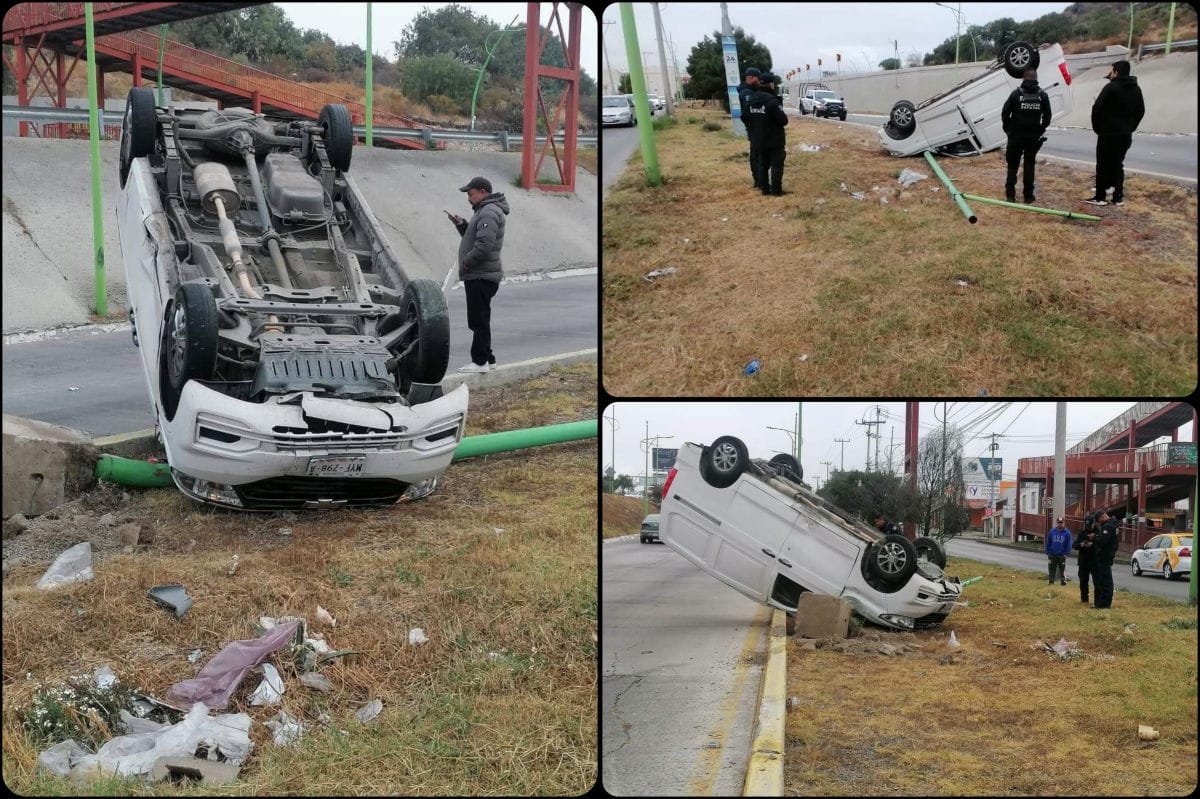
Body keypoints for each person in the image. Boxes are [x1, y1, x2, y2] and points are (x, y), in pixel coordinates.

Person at [446, 176, 509, 373]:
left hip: (480, 275)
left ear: (483, 192)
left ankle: (479, 361)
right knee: (481, 318)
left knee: (478, 320)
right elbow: (476, 238)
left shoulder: (489, 212)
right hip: (481, 274)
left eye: (470, 194)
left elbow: (484, 246)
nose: (468, 198)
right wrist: (462, 225)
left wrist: (466, 263)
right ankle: (488, 358)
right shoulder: (485, 211)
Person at [1086, 60, 1145, 207]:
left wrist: (1098, 128)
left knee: (1103, 165)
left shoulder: (1111, 87)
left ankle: (1100, 196)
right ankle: (1118, 197)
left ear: (1116, 72)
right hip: (1125, 135)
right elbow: (1141, 111)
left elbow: (1097, 108)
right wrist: (1131, 127)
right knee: (1118, 164)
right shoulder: (1136, 89)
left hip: (1108, 134)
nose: (1111, 74)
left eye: (1112, 71)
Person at [1000, 68, 1051, 204]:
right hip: (1032, 137)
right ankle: (1028, 196)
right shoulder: (1043, 96)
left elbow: (1005, 114)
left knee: (1012, 165)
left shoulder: (1015, 95)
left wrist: (1009, 130)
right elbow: (1047, 117)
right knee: (1029, 166)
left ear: (1023, 79)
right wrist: (1040, 130)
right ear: (1036, 79)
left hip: (1015, 137)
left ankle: (1010, 195)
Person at [748, 73, 789, 196]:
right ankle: (776, 191)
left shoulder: (752, 99)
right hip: (774, 140)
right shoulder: (772, 101)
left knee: (762, 165)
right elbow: (783, 120)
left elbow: (747, 117)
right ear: (771, 84)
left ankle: (764, 189)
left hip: (758, 139)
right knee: (776, 165)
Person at [737, 67, 763, 190]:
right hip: (755, 128)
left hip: (756, 127)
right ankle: (759, 181)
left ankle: (759, 180)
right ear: (753, 78)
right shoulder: (746, 93)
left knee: (757, 154)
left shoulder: (750, 91)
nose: (760, 81)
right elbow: (749, 112)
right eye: (758, 78)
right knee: (756, 156)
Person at [1091, 510, 1120, 609]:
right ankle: (1103, 603)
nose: (1099, 522)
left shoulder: (1108, 526)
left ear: (1103, 517)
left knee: (1105, 581)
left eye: (1099, 520)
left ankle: (1104, 603)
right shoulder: (1114, 525)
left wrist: (1094, 537)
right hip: (1108, 555)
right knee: (1105, 580)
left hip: (1104, 556)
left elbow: (1103, 541)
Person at [1074, 513, 1098, 604]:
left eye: (1090, 524)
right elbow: (1074, 545)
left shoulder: (1098, 532)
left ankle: (1097, 600)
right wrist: (1082, 545)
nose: (1088, 527)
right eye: (1087, 525)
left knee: (1097, 582)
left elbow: (1103, 544)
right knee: (1083, 582)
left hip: (1094, 562)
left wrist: (1093, 544)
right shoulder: (1082, 533)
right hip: (1083, 561)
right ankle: (1084, 599)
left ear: (1094, 523)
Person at [1044, 516, 1072, 586]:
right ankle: (1051, 582)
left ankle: (1063, 582)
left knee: (1062, 569)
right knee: (1051, 569)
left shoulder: (1067, 533)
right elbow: (1048, 542)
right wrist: (1047, 551)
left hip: (1062, 555)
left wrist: (1067, 553)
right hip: (1052, 554)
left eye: (1061, 523)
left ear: (1064, 523)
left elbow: (1069, 544)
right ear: (1056, 523)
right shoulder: (1052, 531)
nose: (1060, 524)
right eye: (1059, 523)